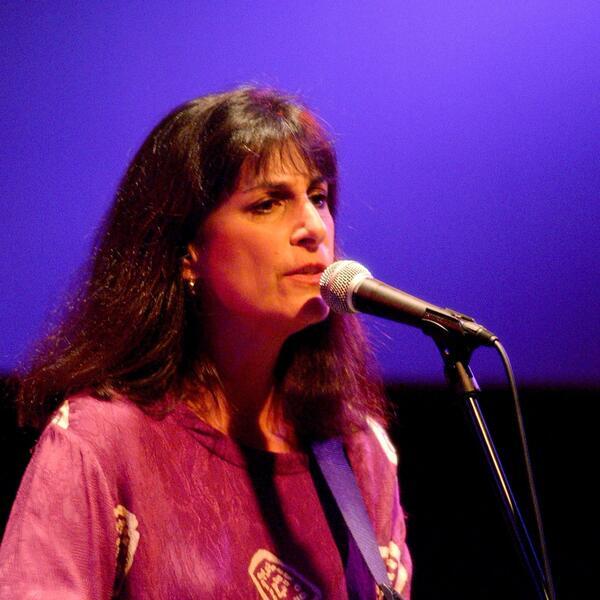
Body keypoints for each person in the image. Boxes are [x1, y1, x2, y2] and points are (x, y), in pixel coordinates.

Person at [0, 86, 412, 599]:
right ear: (187, 251)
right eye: (268, 203)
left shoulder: (357, 449)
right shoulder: (99, 441)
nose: (313, 228)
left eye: (319, 197)